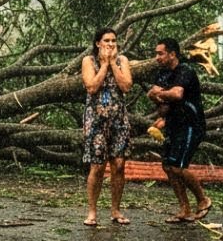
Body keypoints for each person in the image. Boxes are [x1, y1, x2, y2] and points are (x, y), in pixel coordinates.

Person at [147, 37, 211, 223]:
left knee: (178, 166)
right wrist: (158, 99)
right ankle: (185, 209)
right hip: (173, 124)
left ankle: (203, 199)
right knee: (168, 166)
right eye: (156, 53)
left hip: (191, 125)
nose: (157, 57)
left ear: (172, 54)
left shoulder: (185, 71)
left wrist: (158, 94)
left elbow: (177, 94)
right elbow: (159, 101)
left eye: (160, 53)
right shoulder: (162, 74)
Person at [81, 27, 133, 227]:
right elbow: (92, 86)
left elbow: (126, 85)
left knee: (119, 164)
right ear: (98, 43)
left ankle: (115, 210)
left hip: (118, 119)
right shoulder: (89, 61)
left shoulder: (123, 61)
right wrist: (104, 65)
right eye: (106, 40)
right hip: (96, 119)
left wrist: (112, 63)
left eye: (114, 40)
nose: (111, 44)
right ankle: (92, 211)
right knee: (97, 165)